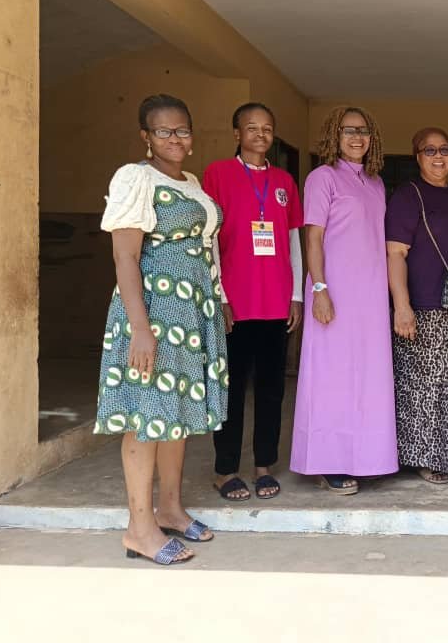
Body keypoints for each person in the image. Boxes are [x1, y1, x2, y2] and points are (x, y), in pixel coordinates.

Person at [95, 94, 227, 565]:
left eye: (183, 130)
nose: (176, 139)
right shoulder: (135, 178)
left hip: (193, 315)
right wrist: (140, 327)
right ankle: (140, 528)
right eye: (164, 131)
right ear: (146, 137)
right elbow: (125, 256)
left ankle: (170, 508)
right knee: (147, 417)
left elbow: (206, 251)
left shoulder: (191, 183)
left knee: (178, 414)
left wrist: (220, 301)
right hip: (153, 312)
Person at [289, 106, 398, 495]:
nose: (357, 137)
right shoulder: (322, 178)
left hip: (369, 296)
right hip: (333, 293)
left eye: (364, 131)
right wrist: (319, 288)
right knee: (331, 378)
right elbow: (312, 237)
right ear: (334, 136)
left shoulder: (376, 183)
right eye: (348, 130)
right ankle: (327, 461)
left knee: (367, 378)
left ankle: (367, 458)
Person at [202, 103, 304, 501]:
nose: (260, 135)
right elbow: (208, 238)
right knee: (229, 390)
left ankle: (264, 465)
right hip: (235, 304)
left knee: (271, 389)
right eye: (251, 128)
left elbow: (294, 238)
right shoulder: (218, 174)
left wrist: (296, 294)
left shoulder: (284, 182)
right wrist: (220, 295)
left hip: (276, 301)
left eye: (267, 128)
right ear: (236, 133)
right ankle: (225, 469)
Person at [386, 127, 448, 484]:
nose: (438, 156)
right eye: (429, 150)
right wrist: (402, 305)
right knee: (426, 386)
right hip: (424, 307)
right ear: (417, 156)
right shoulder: (408, 196)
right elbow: (395, 253)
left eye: (444, 149)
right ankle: (425, 455)